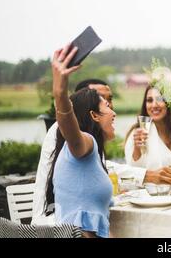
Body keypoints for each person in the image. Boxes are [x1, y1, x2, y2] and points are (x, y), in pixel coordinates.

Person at [32, 79, 171, 225]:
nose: (112, 109)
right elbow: (69, 126)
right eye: (101, 100)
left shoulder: (91, 141)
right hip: (54, 226)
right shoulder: (70, 134)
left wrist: (146, 176)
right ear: (88, 108)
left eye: (110, 99)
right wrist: (60, 88)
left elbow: (99, 168)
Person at [46, 44, 115, 237]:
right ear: (94, 115)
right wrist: (60, 90)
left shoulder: (88, 154)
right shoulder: (84, 143)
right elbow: (68, 123)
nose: (114, 112)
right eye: (108, 106)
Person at [124, 85, 171, 170]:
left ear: (169, 103)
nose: (154, 105)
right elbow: (134, 170)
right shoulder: (138, 133)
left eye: (160, 99)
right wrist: (137, 148)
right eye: (149, 100)